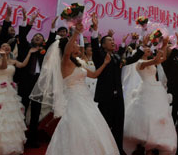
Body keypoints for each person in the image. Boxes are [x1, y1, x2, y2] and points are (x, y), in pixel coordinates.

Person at [33, 22, 118, 155]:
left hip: (86, 99)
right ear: (69, 47)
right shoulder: (65, 62)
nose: (78, 45)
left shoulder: (79, 63)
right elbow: (67, 52)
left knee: (94, 127)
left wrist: (105, 64)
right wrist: (76, 33)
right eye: (75, 44)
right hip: (74, 100)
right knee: (77, 127)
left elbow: (94, 75)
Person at [90, 14, 144, 154]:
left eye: (113, 40)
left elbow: (133, 59)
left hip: (118, 97)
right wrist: (95, 31)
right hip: (105, 97)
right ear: (103, 45)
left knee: (119, 125)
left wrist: (143, 48)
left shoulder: (118, 57)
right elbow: (95, 47)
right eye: (109, 40)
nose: (113, 42)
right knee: (105, 125)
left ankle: (118, 150)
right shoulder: (100, 56)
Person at [124, 36, 177, 155]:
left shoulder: (151, 61)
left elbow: (161, 59)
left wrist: (164, 44)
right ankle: (145, 146)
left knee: (157, 117)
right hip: (146, 91)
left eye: (149, 48)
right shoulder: (139, 63)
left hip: (156, 90)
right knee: (147, 117)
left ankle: (153, 145)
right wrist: (157, 55)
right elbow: (156, 61)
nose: (148, 50)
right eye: (146, 48)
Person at [15, 8, 46, 148]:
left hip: (38, 84)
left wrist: (52, 29)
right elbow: (21, 36)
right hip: (25, 82)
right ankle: (18, 138)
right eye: (36, 36)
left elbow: (52, 40)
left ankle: (32, 139)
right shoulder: (26, 48)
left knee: (35, 113)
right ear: (32, 39)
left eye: (41, 37)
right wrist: (28, 22)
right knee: (21, 110)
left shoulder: (44, 52)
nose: (38, 38)